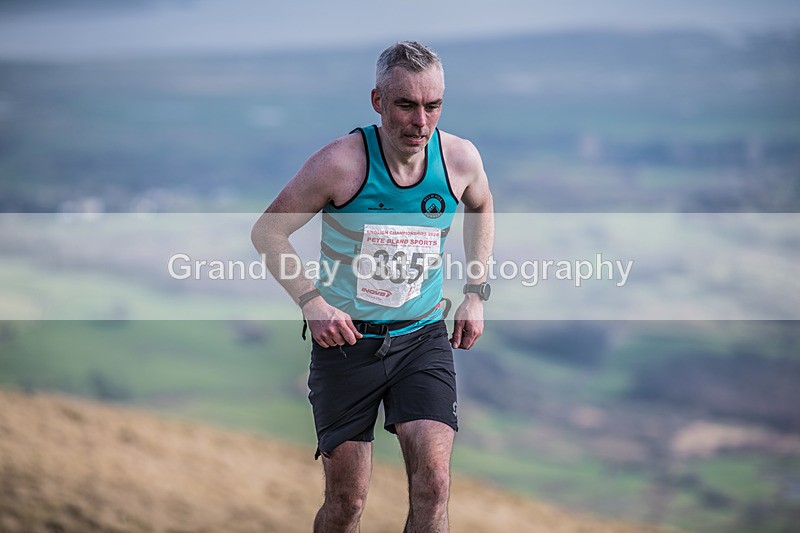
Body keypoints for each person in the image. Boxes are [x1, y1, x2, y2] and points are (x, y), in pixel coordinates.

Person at [251, 40, 494, 533]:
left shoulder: (459, 159)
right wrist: (311, 302)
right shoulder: (340, 164)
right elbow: (268, 232)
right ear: (378, 101)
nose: (420, 122)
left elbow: (482, 205)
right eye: (406, 105)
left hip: (421, 337)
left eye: (433, 106)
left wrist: (475, 292)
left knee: (434, 485)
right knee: (347, 503)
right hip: (346, 344)